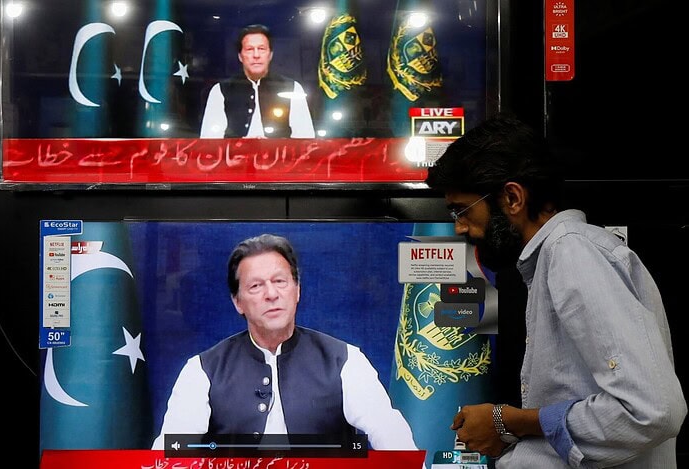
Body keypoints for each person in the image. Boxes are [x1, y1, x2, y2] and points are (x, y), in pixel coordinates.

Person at [425, 114, 687, 467]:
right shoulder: (555, 257)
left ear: (513, 198)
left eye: (462, 210)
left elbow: (650, 412)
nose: (459, 227)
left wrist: (508, 420)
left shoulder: (571, 252)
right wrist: (512, 430)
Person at [151, 233, 419, 453]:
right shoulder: (202, 370)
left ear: (297, 289)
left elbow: (392, 437)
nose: (271, 294)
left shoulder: (345, 360)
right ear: (237, 302)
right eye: (256, 286)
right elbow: (169, 454)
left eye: (280, 281)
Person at [199, 24, 315, 138]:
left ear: (270, 55)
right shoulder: (220, 90)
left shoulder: (293, 88)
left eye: (261, 49)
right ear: (240, 56)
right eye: (249, 49)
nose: (256, 55)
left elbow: (305, 139)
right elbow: (209, 141)